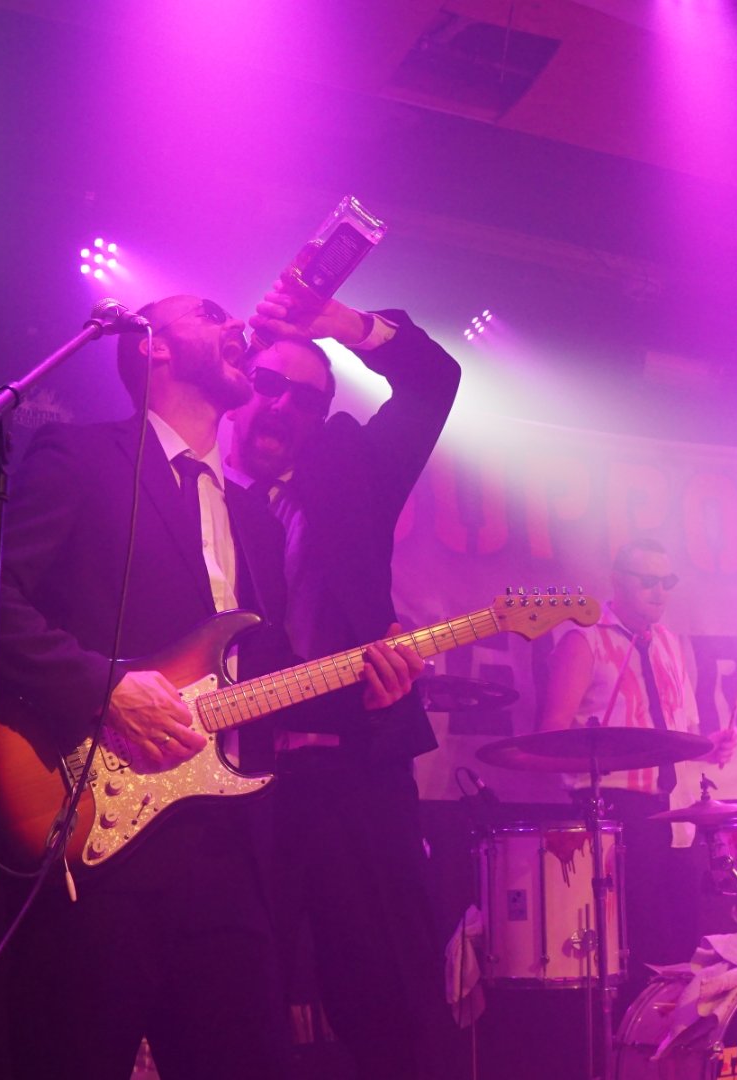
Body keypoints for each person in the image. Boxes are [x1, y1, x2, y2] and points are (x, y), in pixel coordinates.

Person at [0, 292, 421, 1080]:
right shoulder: (84, 458)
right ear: (152, 345)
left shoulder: (256, 521)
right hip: (98, 839)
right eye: (209, 313)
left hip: (226, 858)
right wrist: (105, 688)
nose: (235, 326)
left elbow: (260, 681)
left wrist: (365, 691)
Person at [223, 272, 462, 1079]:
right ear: (237, 383)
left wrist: (339, 321)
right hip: (228, 787)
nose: (283, 407)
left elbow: (434, 380)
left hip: (355, 773)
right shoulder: (187, 490)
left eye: (306, 399)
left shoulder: (350, 472)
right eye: (268, 384)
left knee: (396, 1011)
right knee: (232, 1011)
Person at [537, 539, 737, 983]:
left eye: (667, 581)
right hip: (618, 807)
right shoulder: (583, 639)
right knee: (638, 947)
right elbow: (552, 736)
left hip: (677, 811)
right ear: (617, 582)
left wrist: (709, 746)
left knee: (683, 948)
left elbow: (678, 732)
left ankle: (677, 1026)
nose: (659, 591)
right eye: (648, 581)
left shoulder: (669, 643)